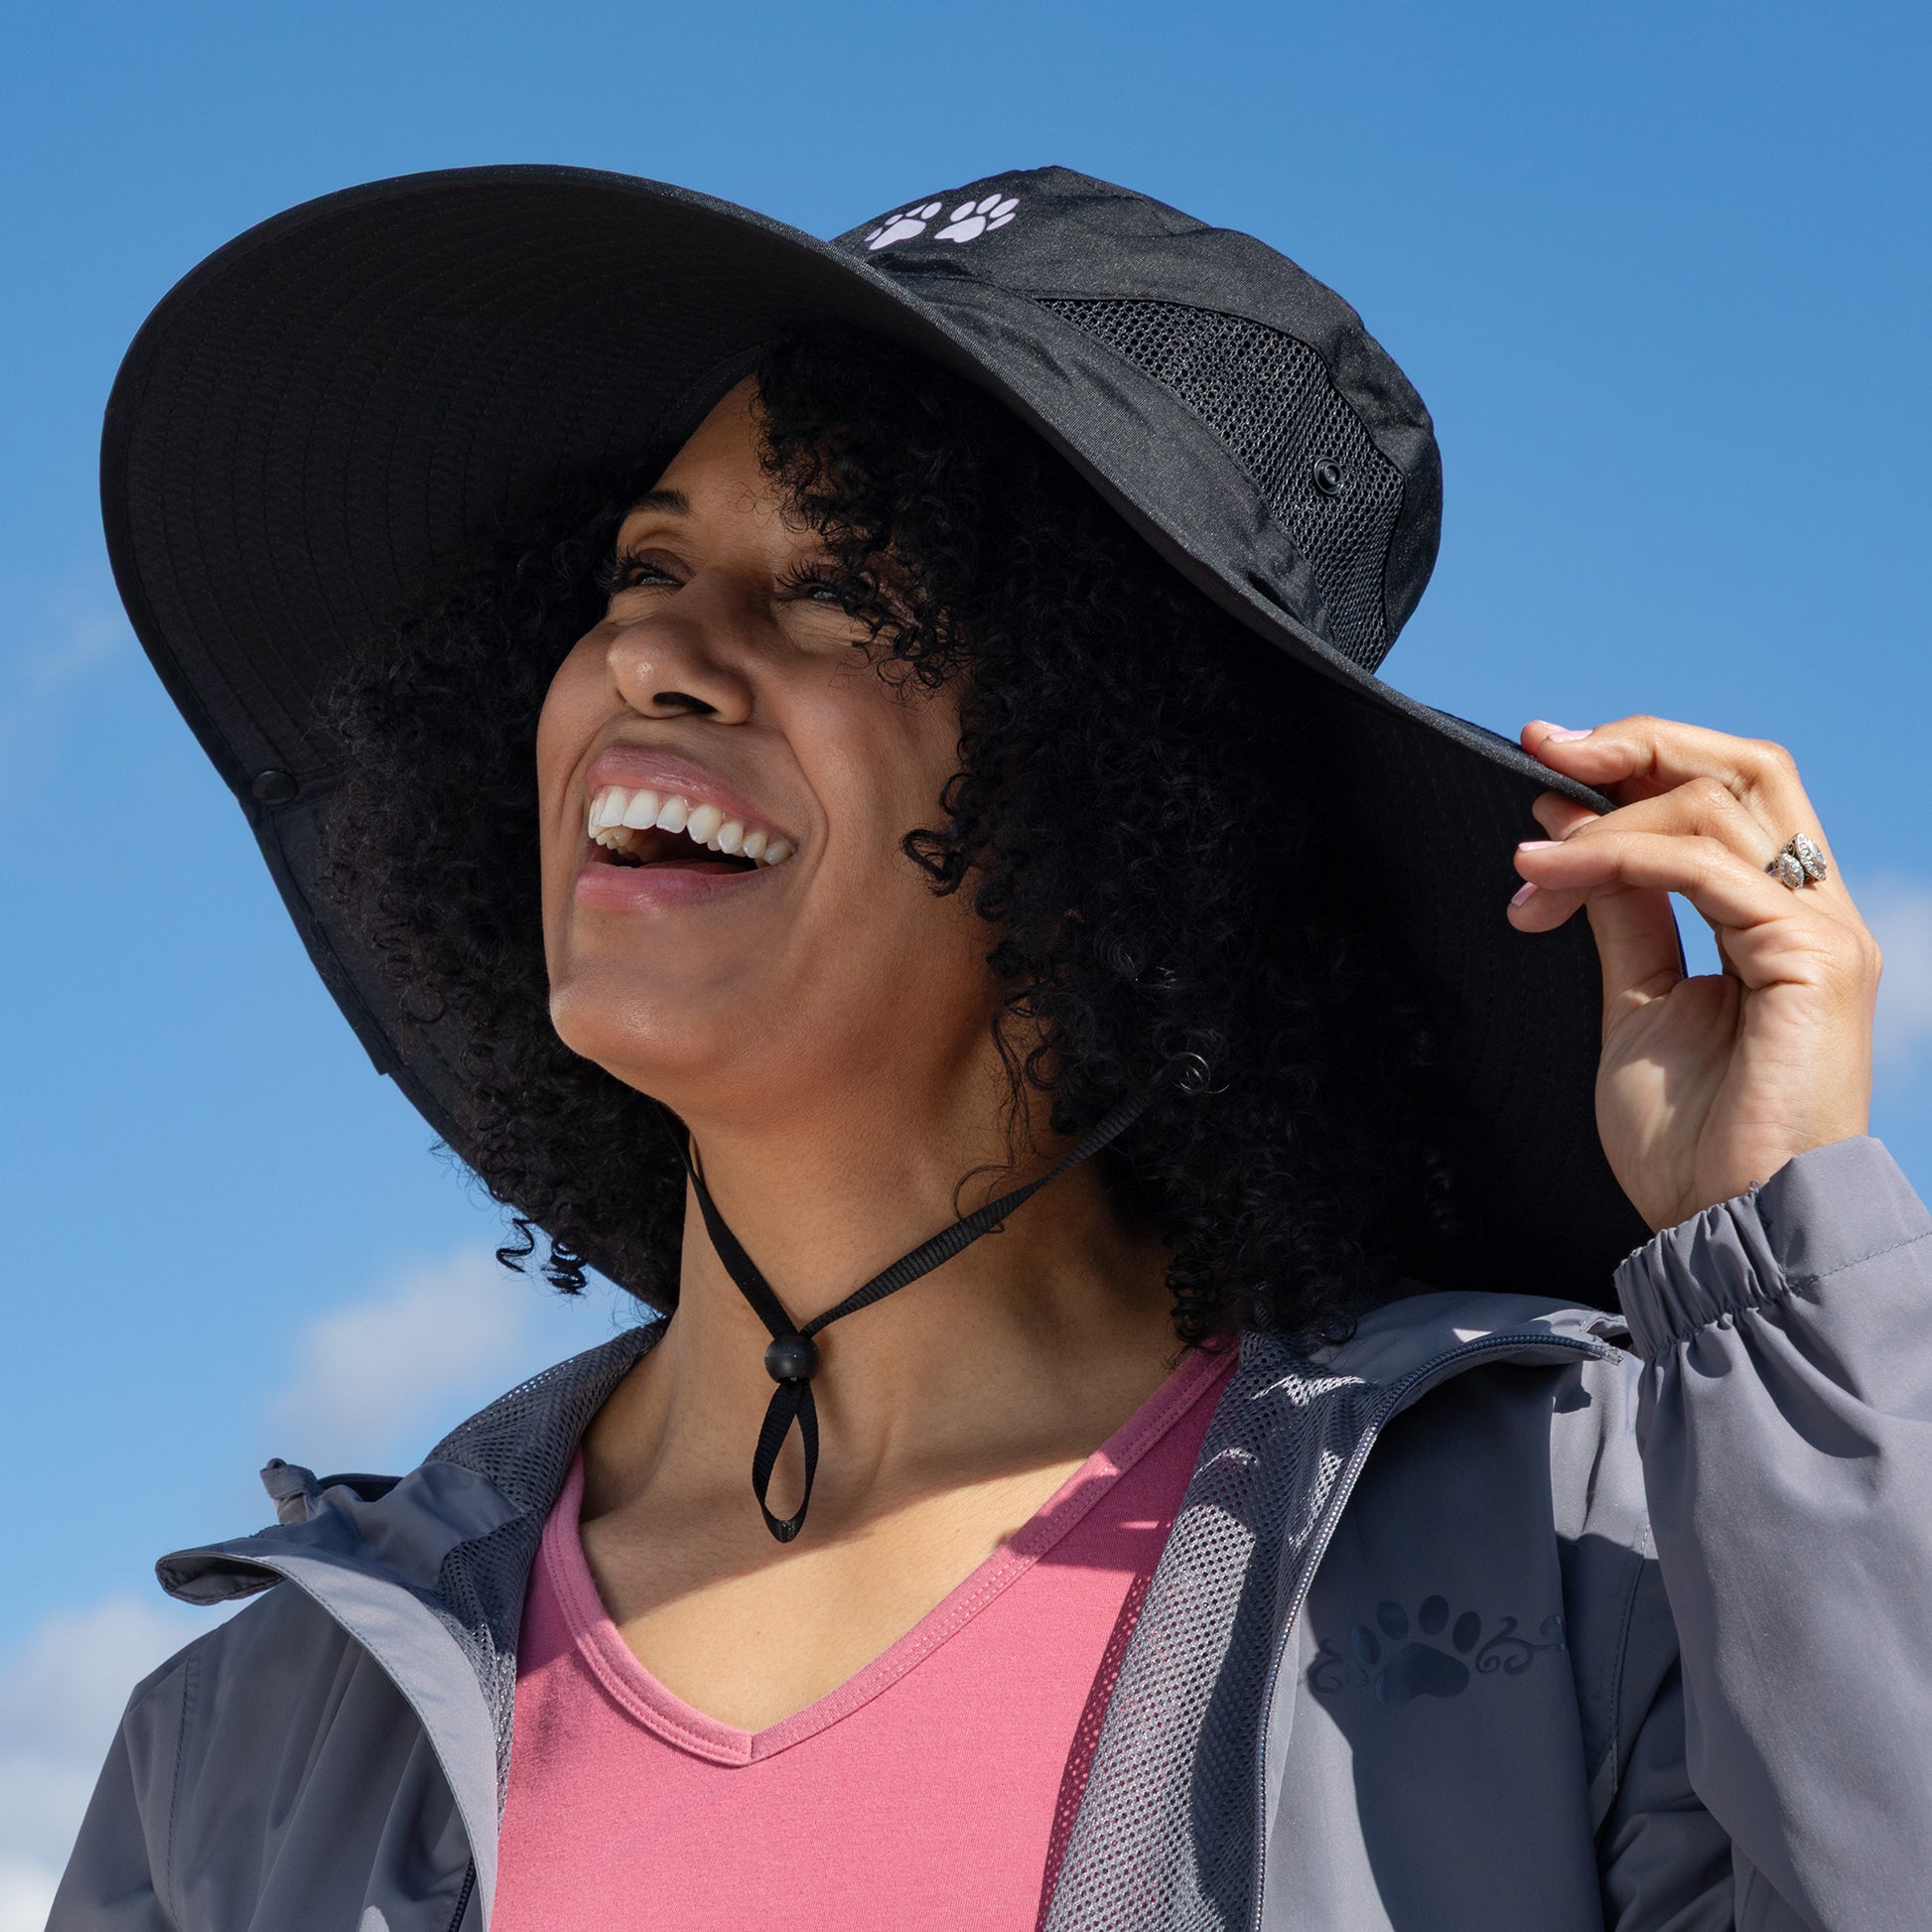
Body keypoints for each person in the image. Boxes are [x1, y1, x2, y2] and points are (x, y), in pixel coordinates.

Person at [56, 166, 1929, 1930]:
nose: (660, 656)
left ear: (1124, 794)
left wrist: (1783, 1269)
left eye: (848, 591)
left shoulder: (1581, 1536)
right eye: (641, 569)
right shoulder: (248, 1736)